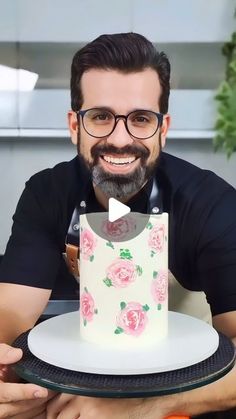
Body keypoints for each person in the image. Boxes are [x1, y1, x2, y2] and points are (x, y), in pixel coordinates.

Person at [0, 32, 236, 419]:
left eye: (141, 119)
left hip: (184, 393)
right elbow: (9, 311)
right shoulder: (47, 192)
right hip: (71, 384)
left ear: (163, 128)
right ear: (75, 126)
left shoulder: (211, 203)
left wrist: (145, 405)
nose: (119, 138)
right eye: (101, 117)